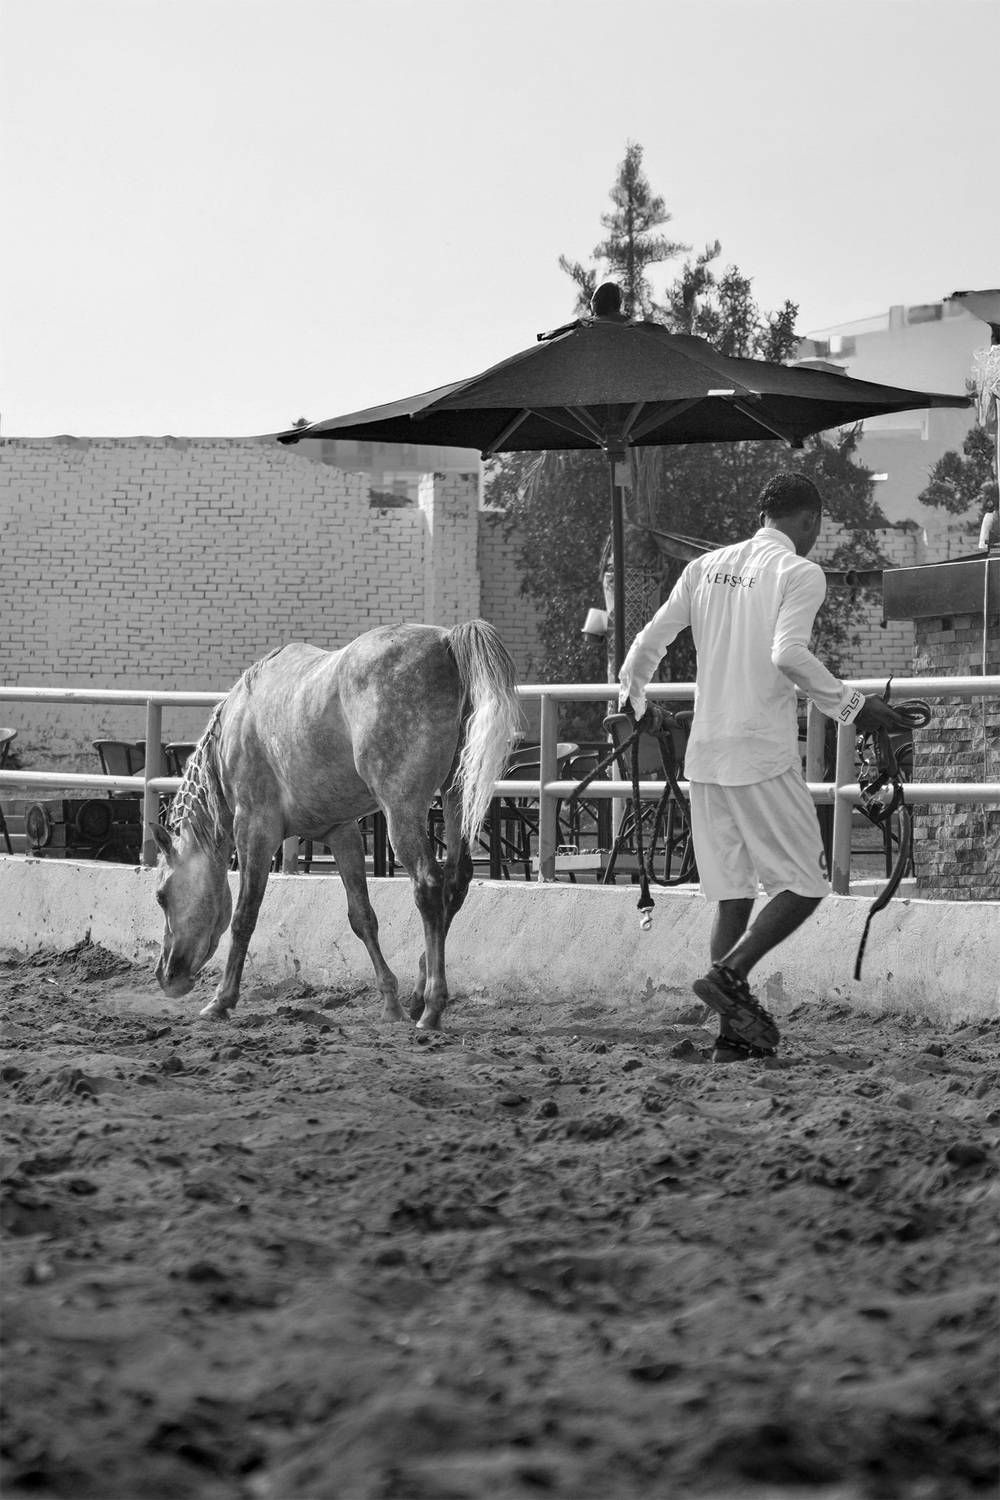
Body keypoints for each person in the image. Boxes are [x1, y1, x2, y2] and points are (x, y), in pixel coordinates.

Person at [618, 471, 911, 1063]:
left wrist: (635, 699)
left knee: (733, 896)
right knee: (805, 883)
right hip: (760, 754)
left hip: (707, 756)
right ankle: (728, 974)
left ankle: (732, 1038)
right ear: (810, 520)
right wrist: (855, 706)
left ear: (763, 515)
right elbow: (788, 654)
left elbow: (649, 641)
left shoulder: (704, 568)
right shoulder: (799, 572)